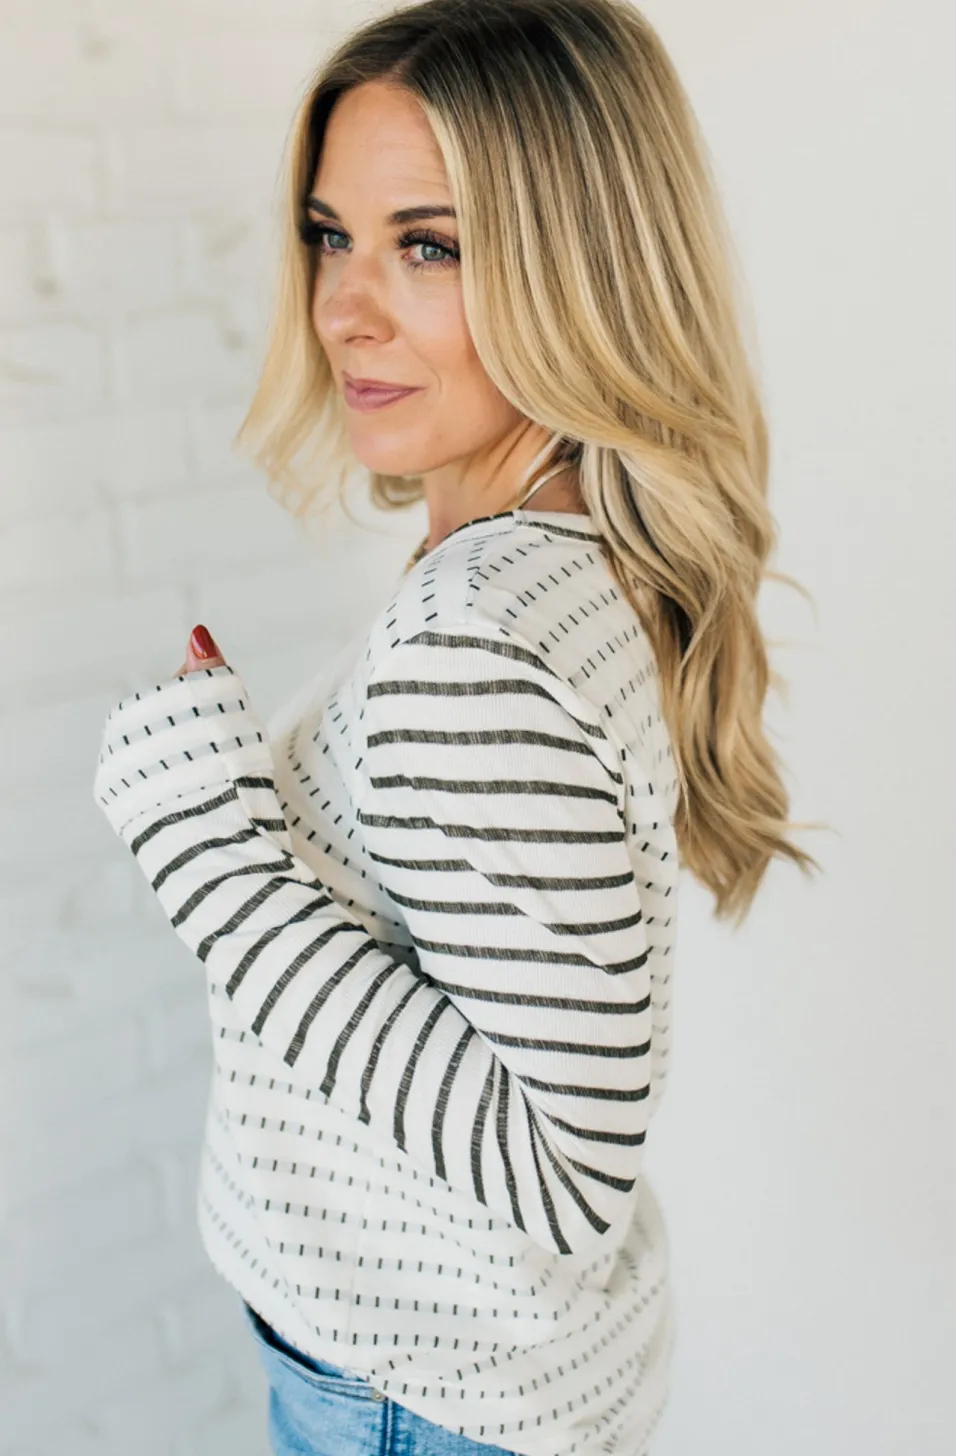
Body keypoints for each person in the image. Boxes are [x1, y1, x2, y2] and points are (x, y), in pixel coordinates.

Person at [92, 2, 822, 1453]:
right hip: (467, 1383)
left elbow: (560, 1177)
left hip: (414, 1405)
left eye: (428, 246)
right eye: (331, 236)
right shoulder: (561, 557)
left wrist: (207, 850)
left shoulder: (475, 634)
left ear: (579, 270)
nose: (343, 309)